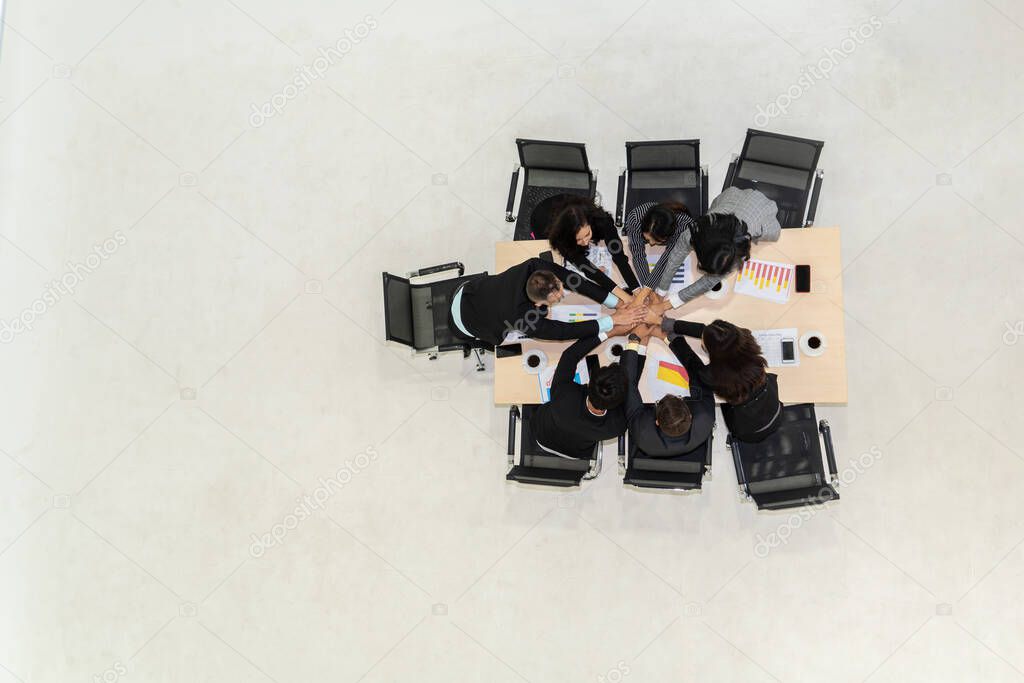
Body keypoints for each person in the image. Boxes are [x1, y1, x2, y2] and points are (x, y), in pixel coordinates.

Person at [448, 257, 647, 346]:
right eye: (557, 298)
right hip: (468, 322)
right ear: (537, 304)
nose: (563, 293)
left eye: (560, 287)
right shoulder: (523, 319)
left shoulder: (535, 266)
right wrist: (613, 320)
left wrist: (616, 302)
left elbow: (573, 279)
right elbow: (562, 332)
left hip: (468, 290)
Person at [647, 187, 782, 313]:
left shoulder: (735, 254)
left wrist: (666, 305)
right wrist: (661, 292)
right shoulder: (696, 230)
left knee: (772, 236)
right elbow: (677, 253)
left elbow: (709, 282)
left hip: (761, 209)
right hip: (729, 197)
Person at [661, 317, 781, 441]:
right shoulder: (747, 342)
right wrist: (671, 324)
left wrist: (672, 337)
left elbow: (691, 361)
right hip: (774, 410)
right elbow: (714, 334)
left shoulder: (712, 376)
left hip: (749, 431)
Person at [619, 325, 715, 457]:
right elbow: (699, 375)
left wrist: (635, 341)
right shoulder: (704, 417)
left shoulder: (642, 431)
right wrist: (669, 338)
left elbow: (628, 385)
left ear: (656, 421)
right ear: (691, 416)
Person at [531, 335, 628, 459]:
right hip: (575, 452)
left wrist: (607, 332)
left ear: (588, 384)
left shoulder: (565, 396)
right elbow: (632, 385)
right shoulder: (617, 426)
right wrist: (634, 345)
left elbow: (570, 355)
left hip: (543, 435)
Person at [547, 195, 639, 299]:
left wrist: (636, 289)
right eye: (578, 239)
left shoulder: (604, 222)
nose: (586, 242)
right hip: (543, 216)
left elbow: (619, 256)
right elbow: (589, 270)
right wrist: (624, 296)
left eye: (587, 234)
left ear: (590, 222)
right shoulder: (562, 241)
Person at [622, 202, 693, 290]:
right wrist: (647, 289)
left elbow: (667, 259)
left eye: (657, 241)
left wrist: (647, 289)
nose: (651, 244)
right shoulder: (635, 219)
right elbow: (638, 255)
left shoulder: (684, 226)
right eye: (648, 239)